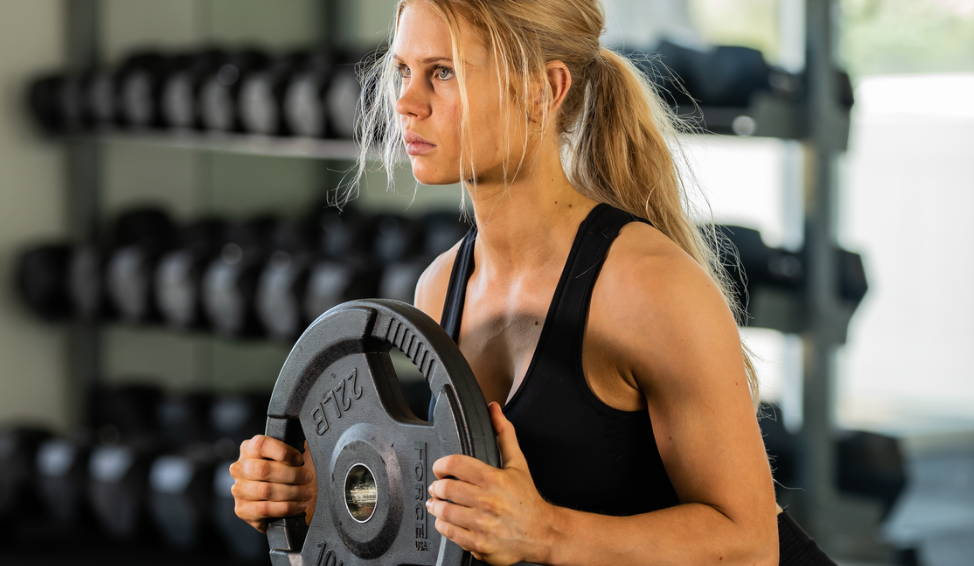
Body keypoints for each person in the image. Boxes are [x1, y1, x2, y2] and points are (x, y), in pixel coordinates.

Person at [229, 1, 836, 564]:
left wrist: (543, 531)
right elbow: (455, 516)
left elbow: (750, 544)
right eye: (404, 70)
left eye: (442, 73)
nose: (407, 102)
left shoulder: (647, 288)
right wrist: (327, 490)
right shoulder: (442, 288)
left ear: (545, 89)